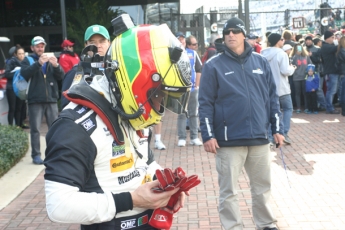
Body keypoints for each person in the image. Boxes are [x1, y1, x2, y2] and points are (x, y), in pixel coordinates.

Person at [44, 15, 193, 229]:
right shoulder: (75, 126)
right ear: (137, 82)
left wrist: (164, 184)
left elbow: (144, 163)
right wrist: (131, 200)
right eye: (160, 94)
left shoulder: (130, 108)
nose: (162, 105)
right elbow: (58, 205)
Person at [199, 17, 283, 230]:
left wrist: (277, 129)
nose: (231, 35)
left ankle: (266, 224)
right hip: (228, 140)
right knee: (229, 191)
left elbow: (272, 98)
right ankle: (233, 226)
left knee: (262, 187)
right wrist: (208, 135)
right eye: (227, 32)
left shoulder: (261, 61)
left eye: (236, 31)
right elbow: (205, 103)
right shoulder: (213, 65)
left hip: (259, 137)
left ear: (244, 34)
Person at [20, 36, 64, 164]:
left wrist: (56, 65)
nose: (40, 48)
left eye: (42, 46)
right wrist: (38, 63)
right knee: (35, 129)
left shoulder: (50, 59)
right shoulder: (27, 60)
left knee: (54, 128)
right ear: (32, 48)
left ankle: (55, 153)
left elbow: (61, 76)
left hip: (51, 98)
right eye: (38, 46)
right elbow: (25, 74)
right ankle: (36, 156)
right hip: (35, 99)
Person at [60, 24, 111, 109]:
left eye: (102, 41)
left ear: (109, 43)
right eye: (92, 42)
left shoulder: (118, 70)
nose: (98, 46)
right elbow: (66, 108)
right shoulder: (75, 73)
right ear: (86, 45)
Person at [261, 33, 296, 145]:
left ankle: (271, 136)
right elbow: (285, 71)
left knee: (271, 112)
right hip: (282, 87)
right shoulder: (281, 54)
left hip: (267, 88)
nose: (283, 41)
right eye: (282, 39)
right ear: (277, 41)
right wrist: (292, 69)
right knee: (287, 109)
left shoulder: (262, 53)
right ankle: (283, 132)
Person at [177, 34, 203, 147]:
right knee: (181, 114)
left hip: (192, 89)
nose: (181, 41)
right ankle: (182, 138)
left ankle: (194, 137)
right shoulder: (174, 53)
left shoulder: (193, 53)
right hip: (180, 89)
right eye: (179, 40)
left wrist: (197, 85)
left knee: (194, 114)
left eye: (183, 39)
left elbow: (199, 69)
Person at [5, 45, 28, 128]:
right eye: (20, 54)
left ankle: (19, 125)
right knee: (12, 108)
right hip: (11, 87)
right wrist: (17, 73)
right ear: (15, 54)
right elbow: (7, 74)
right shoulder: (11, 62)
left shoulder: (26, 62)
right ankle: (11, 127)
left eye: (23, 53)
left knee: (20, 107)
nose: (22, 55)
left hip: (21, 88)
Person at [321, 30, 341, 114]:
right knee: (331, 91)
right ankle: (329, 108)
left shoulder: (327, 46)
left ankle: (330, 107)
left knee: (332, 90)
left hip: (332, 71)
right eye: (332, 37)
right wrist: (339, 42)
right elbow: (336, 48)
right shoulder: (326, 47)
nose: (334, 39)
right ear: (327, 38)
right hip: (330, 72)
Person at [304, 36, 327, 110]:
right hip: (307, 73)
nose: (308, 41)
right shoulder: (303, 49)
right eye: (306, 40)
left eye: (309, 40)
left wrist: (311, 56)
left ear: (312, 41)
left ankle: (323, 105)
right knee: (310, 90)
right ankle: (315, 105)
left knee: (318, 89)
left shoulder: (317, 49)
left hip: (317, 71)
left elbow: (319, 60)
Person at [291, 44, 312, 113]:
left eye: (300, 48)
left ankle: (306, 107)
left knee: (305, 92)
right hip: (296, 77)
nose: (299, 50)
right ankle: (298, 107)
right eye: (297, 48)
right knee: (297, 93)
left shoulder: (306, 56)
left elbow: (310, 65)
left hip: (305, 77)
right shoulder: (293, 57)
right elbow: (291, 66)